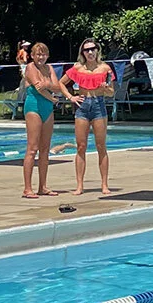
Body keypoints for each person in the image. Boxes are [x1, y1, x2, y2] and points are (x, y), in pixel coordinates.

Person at [63, 39, 115, 198]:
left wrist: (105, 89)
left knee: (101, 146)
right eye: (87, 50)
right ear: (82, 53)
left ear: (97, 50)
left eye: (93, 49)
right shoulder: (78, 68)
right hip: (83, 105)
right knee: (81, 146)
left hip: (99, 105)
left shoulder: (105, 68)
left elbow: (112, 92)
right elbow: (61, 83)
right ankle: (79, 185)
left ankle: (104, 184)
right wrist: (70, 97)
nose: (90, 52)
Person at [20, 42, 71, 200]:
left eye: (43, 54)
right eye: (37, 54)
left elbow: (57, 86)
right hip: (34, 107)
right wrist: (52, 97)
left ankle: (42, 186)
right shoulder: (30, 67)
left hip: (47, 109)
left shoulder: (49, 69)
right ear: (32, 56)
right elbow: (38, 88)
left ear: (47, 56)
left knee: (45, 149)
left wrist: (49, 87)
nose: (40, 57)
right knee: (32, 148)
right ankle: (27, 188)